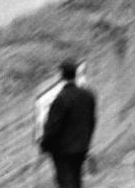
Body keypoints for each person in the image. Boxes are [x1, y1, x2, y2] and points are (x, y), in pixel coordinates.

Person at [40, 59, 97, 188]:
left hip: (63, 152)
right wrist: (87, 143)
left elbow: (53, 127)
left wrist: (44, 145)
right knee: (76, 180)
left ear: (61, 75)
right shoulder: (88, 95)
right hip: (81, 148)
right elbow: (92, 121)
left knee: (66, 182)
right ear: (75, 74)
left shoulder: (61, 99)